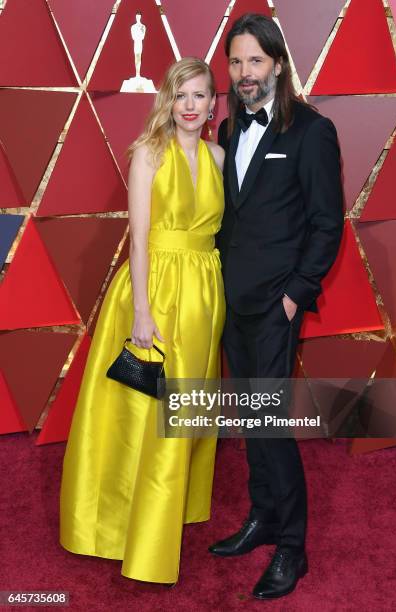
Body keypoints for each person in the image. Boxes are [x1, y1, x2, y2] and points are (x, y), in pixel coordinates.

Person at [60, 57, 226, 585]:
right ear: (168, 101)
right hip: (154, 289)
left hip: (204, 290)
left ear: (213, 103)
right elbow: (137, 238)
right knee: (141, 414)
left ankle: (169, 512)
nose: (191, 105)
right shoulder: (147, 154)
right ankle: (123, 528)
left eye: (200, 95)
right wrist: (141, 313)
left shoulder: (220, 157)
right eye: (182, 95)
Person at [209, 14, 344, 600]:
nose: (244, 73)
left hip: (275, 307)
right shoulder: (228, 128)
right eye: (235, 63)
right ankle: (263, 517)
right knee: (250, 421)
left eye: (254, 62)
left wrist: (295, 294)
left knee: (270, 424)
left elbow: (326, 222)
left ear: (278, 65)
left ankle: (293, 546)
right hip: (231, 303)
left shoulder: (312, 132)